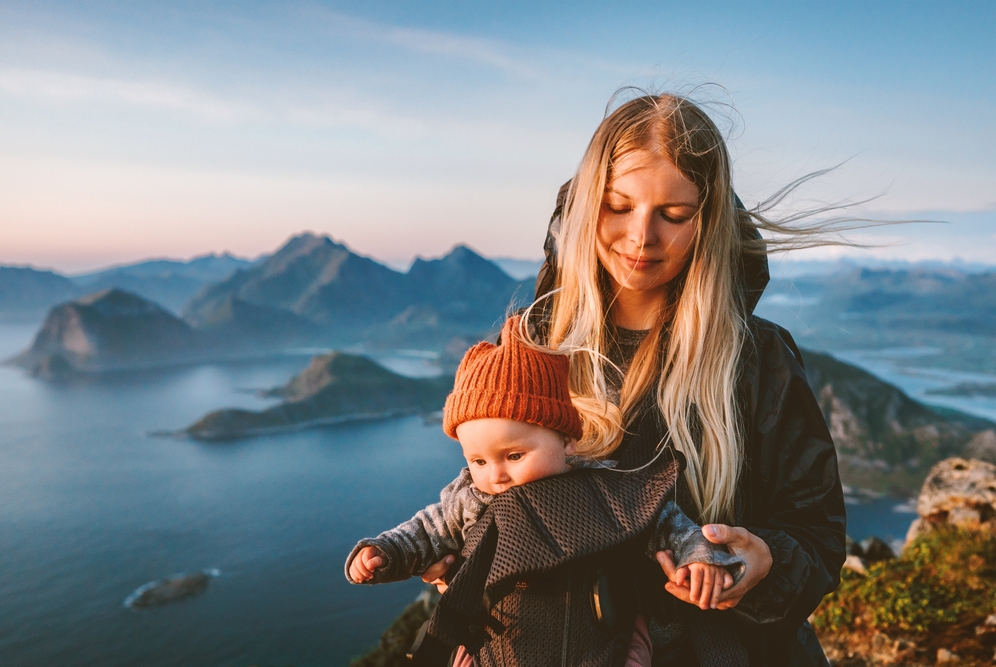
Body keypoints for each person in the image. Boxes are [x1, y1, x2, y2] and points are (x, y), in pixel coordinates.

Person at [419, 93, 847, 666]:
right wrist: (468, 572)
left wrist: (764, 561)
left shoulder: (757, 358)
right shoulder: (532, 345)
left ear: (710, 221)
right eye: (617, 205)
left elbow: (816, 533)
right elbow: (490, 492)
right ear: (585, 204)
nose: (641, 236)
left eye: (674, 215)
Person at [346, 316, 746, 667]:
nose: (496, 475)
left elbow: (668, 526)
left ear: (567, 440)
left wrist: (699, 559)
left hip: (602, 647)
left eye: (514, 455)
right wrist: (384, 553)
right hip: (501, 647)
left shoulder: (604, 487)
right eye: (479, 461)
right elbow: (425, 531)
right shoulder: (470, 498)